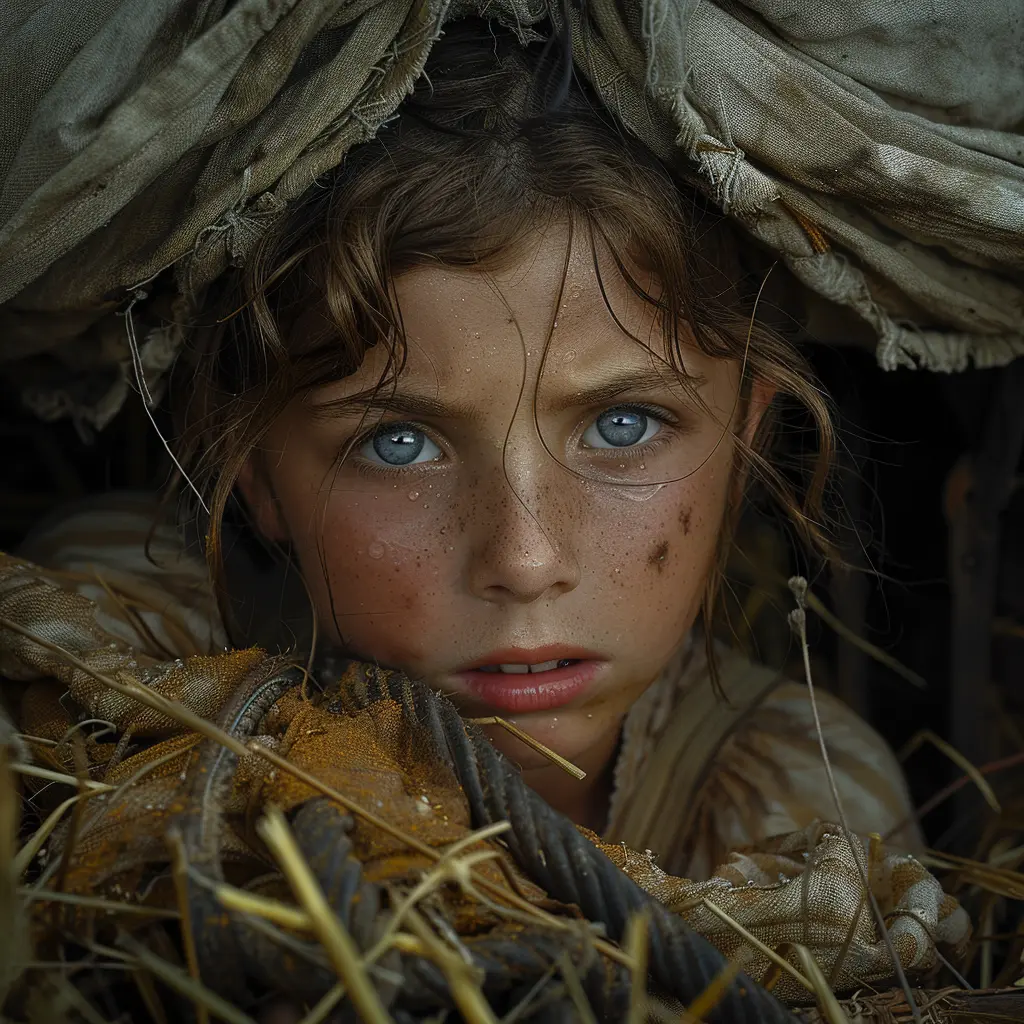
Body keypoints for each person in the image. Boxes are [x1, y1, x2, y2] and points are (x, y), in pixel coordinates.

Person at [18, 20, 919, 883]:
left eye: (622, 427)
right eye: (398, 443)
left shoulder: (805, 806)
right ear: (250, 469)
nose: (524, 562)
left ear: (747, 435)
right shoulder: (137, 637)